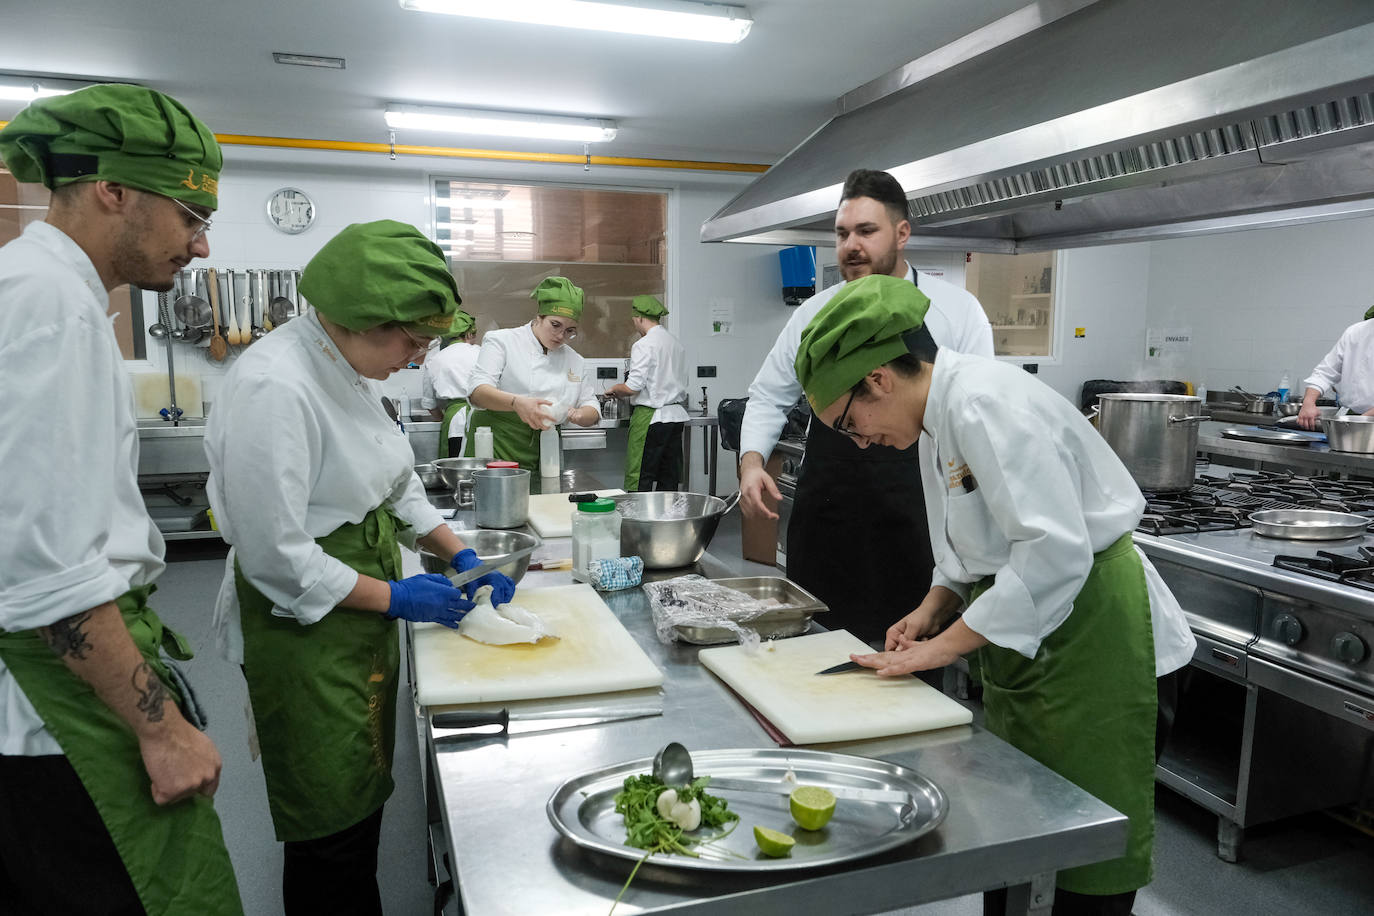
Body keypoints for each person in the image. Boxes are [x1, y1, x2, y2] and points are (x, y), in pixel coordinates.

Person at [794, 273, 1196, 916]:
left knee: (1079, 866)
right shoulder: (933, 419)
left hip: (1099, 637)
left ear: (878, 378)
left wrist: (941, 650)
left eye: (849, 421)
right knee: (1018, 837)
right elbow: (972, 540)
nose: (858, 440)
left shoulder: (984, 401)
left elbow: (1052, 553)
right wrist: (932, 608)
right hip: (1039, 647)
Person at [204, 220, 515, 915]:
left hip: (356, 602)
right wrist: (399, 598)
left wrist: (457, 550)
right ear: (357, 319)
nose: (415, 357)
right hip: (304, 622)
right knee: (326, 823)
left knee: (359, 793)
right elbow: (275, 556)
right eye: (410, 342)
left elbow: (394, 480)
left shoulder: (340, 366)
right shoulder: (274, 386)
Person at [0, 86, 243, 914]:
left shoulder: (42, 288)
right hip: (55, 707)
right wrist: (160, 727)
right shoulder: (49, 307)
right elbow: (46, 569)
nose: (202, 247)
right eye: (189, 216)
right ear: (113, 190)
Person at [738, 168, 994, 643]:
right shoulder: (814, 312)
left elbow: (978, 416)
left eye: (866, 231)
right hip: (828, 502)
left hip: (916, 502)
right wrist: (752, 462)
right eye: (842, 233)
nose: (851, 245)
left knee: (908, 647)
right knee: (812, 641)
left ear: (902, 233)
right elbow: (770, 394)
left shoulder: (957, 311)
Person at [464, 276, 601, 471]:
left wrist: (579, 415)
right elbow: (477, 392)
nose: (561, 336)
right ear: (539, 317)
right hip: (496, 447)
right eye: (555, 325)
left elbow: (591, 406)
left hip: (546, 449)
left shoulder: (574, 360)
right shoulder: (503, 341)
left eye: (570, 331)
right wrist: (517, 403)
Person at [603, 294, 690, 490]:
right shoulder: (675, 343)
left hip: (652, 419)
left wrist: (615, 389)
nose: (634, 324)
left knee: (641, 475)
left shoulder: (643, 344)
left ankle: (639, 518)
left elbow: (633, 386)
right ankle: (666, 518)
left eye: (634, 320)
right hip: (675, 419)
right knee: (668, 476)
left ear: (640, 318)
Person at [1297, 306, 1374, 429]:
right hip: (1352, 418)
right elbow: (1324, 372)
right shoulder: (1355, 332)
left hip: (1361, 420)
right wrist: (1308, 402)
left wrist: (1363, 420)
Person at [419, 308, 480, 457]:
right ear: (469, 334)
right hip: (482, 423)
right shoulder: (482, 353)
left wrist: (446, 418)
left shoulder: (435, 360)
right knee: (481, 468)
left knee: (455, 471)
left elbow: (429, 405)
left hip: (454, 425)